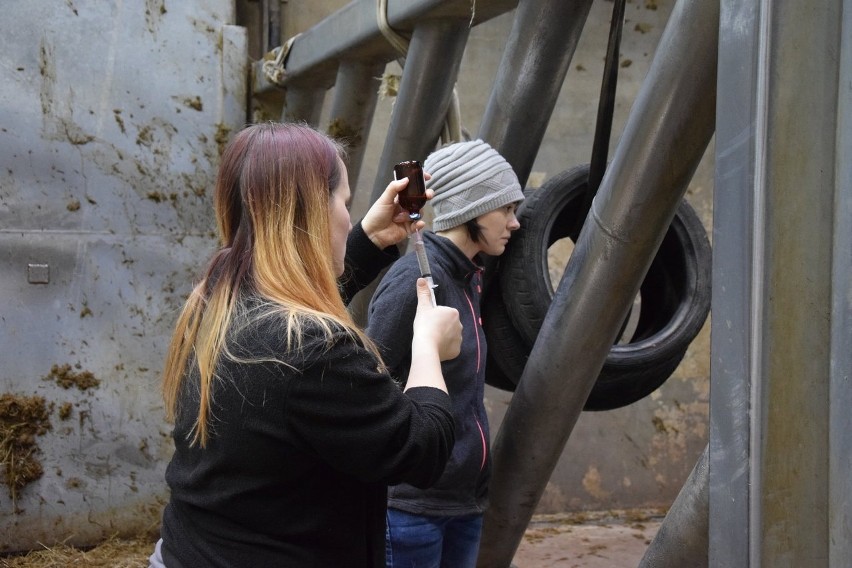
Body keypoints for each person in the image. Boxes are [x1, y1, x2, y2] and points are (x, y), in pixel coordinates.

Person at [149, 122, 463, 568]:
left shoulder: (217, 298)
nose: (348, 217)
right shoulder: (314, 350)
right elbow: (419, 449)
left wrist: (368, 241)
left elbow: (292, 288)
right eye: (345, 202)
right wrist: (428, 345)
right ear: (314, 211)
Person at [366, 139, 525, 568]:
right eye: (506, 210)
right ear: (474, 208)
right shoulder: (415, 280)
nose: (514, 223)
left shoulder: (467, 275)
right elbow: (370, 380)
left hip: (462, 501)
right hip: (412, 507)